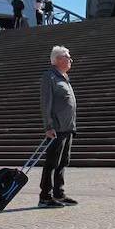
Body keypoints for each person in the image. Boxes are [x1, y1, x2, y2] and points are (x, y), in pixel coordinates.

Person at [39, 45, 78, 208]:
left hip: (68, 127)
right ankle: (45, 196)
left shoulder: (64, 77)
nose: (70, 60)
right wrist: (48, 126)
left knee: (63, 162)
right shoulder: (50, 77)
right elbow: (46, 103)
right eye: (68, 57)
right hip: (56, 128)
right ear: (58, 59)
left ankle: (59, 193)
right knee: (52, 162)